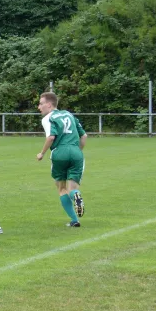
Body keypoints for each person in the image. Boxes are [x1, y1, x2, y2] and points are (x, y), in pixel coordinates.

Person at [36, 92, 87, 227]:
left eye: (41, 104)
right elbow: (84, 136)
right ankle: (76, 195)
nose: (39, 107)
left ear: (49, 104)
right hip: (76, 152)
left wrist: (42, 153)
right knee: (72, 189)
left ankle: (75, 220)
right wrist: (77, 151)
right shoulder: (69, 114)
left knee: (61, 188)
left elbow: (51, 137)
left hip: (60, 152)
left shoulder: (48, 118)